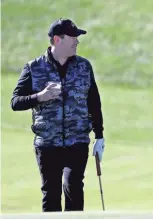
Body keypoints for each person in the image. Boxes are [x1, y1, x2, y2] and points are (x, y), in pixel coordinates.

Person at [11, 18, 105, 212]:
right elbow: (15, 102)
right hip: (47, 143)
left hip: (77, 141)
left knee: (73, 187)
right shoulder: (34, 68)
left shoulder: (84, 67)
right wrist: (40, 96)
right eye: (73, 38)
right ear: (57, 40)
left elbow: (94, 102)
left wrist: (100, 136)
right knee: (51, 193)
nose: (77, 42)